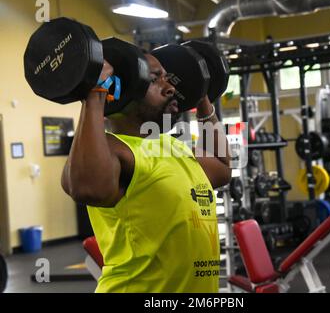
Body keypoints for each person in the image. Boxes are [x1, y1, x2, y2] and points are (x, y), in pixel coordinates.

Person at [61, 51, 232, 293]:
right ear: (122, 91)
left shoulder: (172, 145)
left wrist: (201, 95)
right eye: (155, 79)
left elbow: (223, 169)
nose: (171, 87)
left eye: (168, 78)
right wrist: (95, 93)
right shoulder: (116, 148)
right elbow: (85, 187)